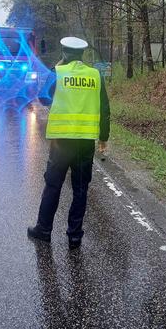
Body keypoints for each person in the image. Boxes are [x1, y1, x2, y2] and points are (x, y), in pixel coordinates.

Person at [27, 37, 110, 249]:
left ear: (64, 53)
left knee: (53, 185)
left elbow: (44, 98)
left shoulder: (58, 72)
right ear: (81, 54)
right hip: (85, 143)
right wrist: (103, 137)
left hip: (62, 142)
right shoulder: (95, 75)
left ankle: (43, 230)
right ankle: (75, 236)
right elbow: (104, 108)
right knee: (80, 189)